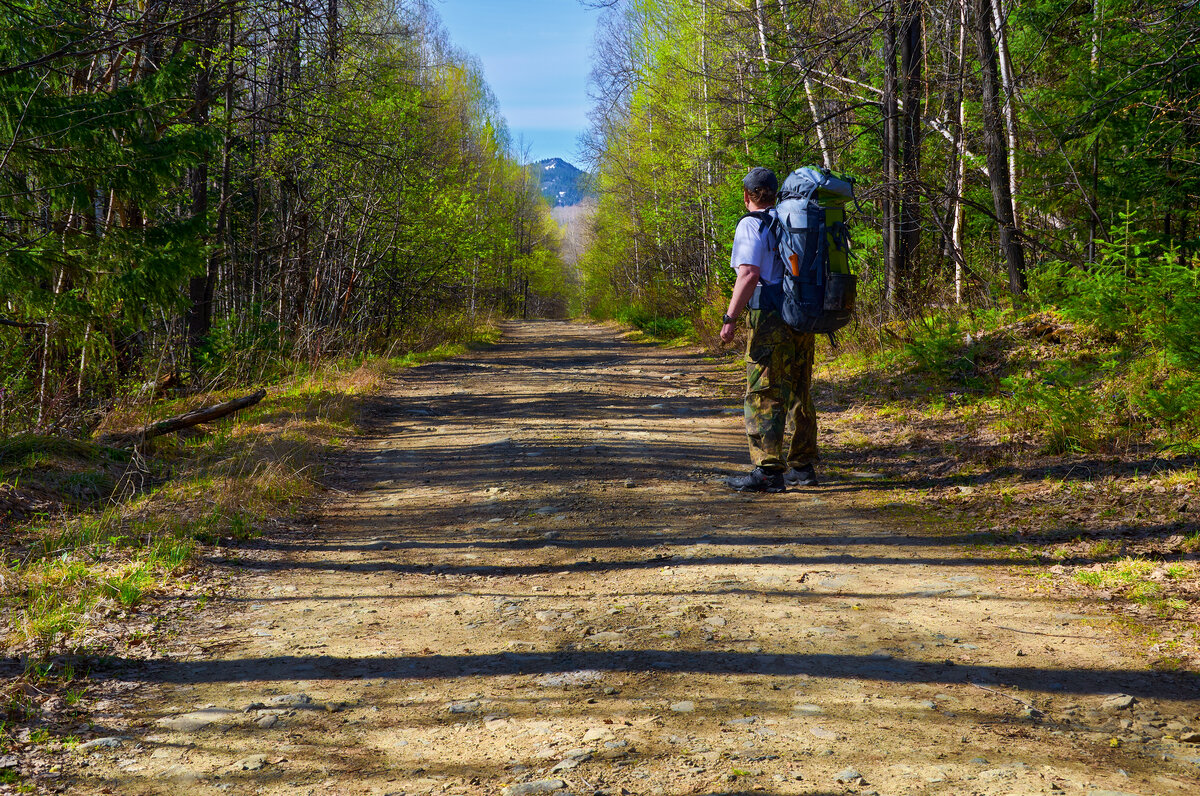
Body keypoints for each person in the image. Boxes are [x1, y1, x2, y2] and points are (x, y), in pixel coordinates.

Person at [719, 167, 819, 492]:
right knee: (799, 390)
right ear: (774, 193)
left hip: (771, 319)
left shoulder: (752, 224)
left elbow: (748, 274)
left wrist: (730, 319)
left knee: (764, 392)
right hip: (802, 314)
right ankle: (803, 466)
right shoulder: (793, 220)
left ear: (747, 195)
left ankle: (768, 471)